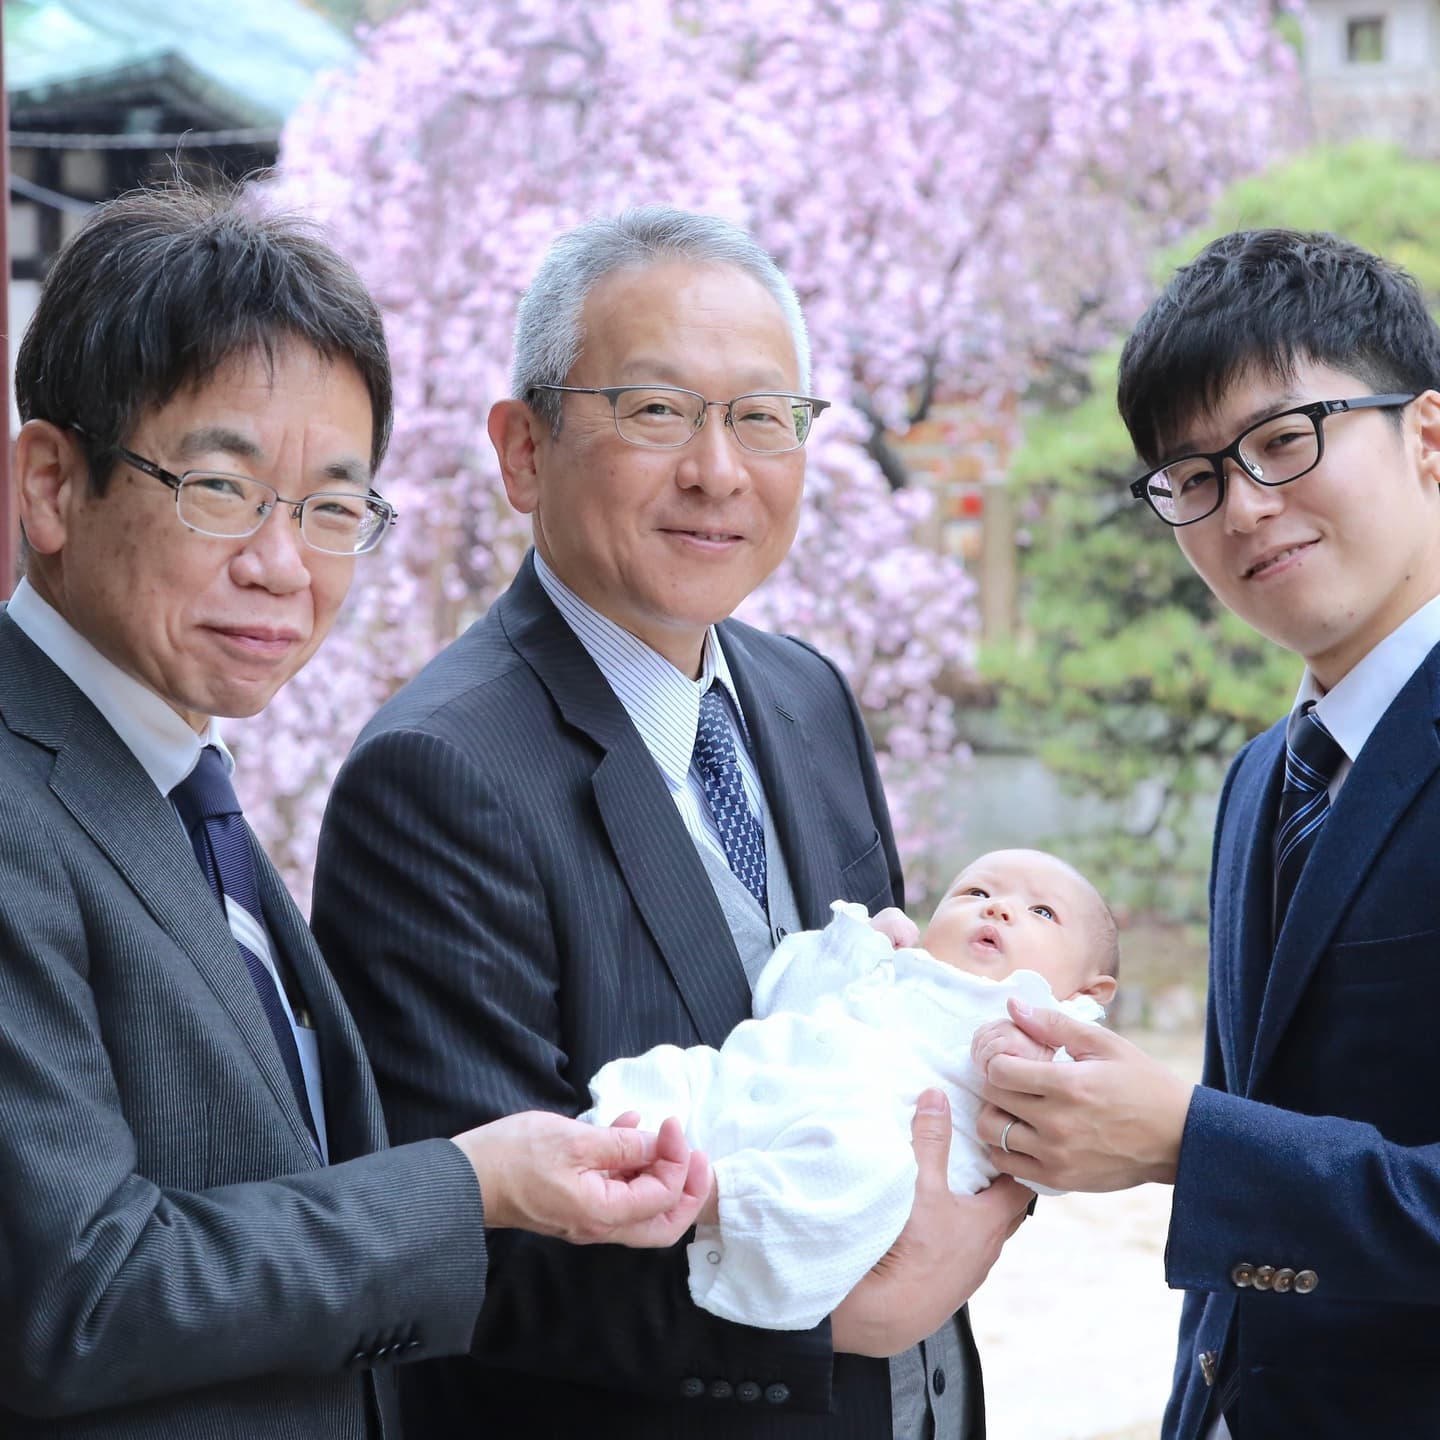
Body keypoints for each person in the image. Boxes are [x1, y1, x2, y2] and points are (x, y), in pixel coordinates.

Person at [0, 185, 710, 1440]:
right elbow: (79, 1294)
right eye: (219, 491)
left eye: (333, 509)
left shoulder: (175, 778)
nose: (284, 565)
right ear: (53, 485)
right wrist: (465, 1187)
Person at [313, 205, 1032, 1439]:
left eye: (763, 416)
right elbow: (482, 1253)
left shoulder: (803, 692)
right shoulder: (439, 777)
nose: (718, 469)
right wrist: (835, 1319)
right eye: (655, 411)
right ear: (523, 448)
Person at [973, 229, 1440, 1439]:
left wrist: (1190, 1141)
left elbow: (1228, 1140)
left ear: (1427, 437)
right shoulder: (1259, 781)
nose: (1246, 507)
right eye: (1193, 477)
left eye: (1286, 442)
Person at [583, 848, 1119, 1331]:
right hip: (770, 1086)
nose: (998, 909)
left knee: (861, 1163)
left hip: (866, 1164)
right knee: (692, 1069)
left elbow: (1065, 1159)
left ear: (1091, 990)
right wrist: (851, 947)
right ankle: (610, 1141)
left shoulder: (1056, 1029)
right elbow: (782, 1000)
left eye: (1042, 913)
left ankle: (709, 1192)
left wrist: (1040, 1067)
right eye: (977, 892)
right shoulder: (895, 967)